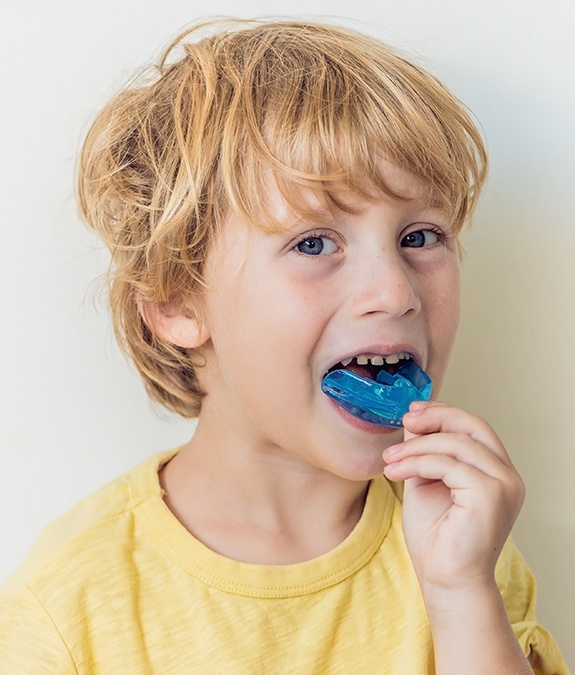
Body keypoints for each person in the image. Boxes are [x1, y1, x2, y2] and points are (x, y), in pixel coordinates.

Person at [0, 18, 568, 674]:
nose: (394, 291)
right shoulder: (70, 605)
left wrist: (459, 591)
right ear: (177, 302)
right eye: (313, 243)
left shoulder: (462, 543)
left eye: (418, 236)